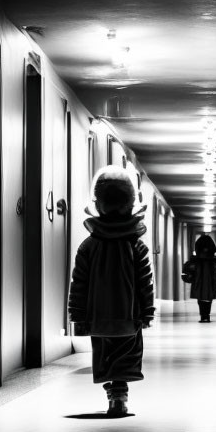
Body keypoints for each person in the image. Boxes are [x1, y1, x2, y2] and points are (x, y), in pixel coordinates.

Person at [68, 165, 154, 416]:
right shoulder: (135, 245)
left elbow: (79, 283)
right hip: (129, 314)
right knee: (126, 355)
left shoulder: (89, 245)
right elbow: (144, 281)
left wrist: (78, 315)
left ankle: (115, 394)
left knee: (105, 356)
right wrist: (147, 311)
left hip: (99, 315)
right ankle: (120, 392)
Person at [181, 234, 216, 322]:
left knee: (200, 297)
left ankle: (203, 315)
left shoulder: (196, 260)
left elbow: (188, 268)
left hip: (199, 279)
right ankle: (207, 315)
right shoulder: (214, 260)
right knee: (209, 298)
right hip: (210, 279)